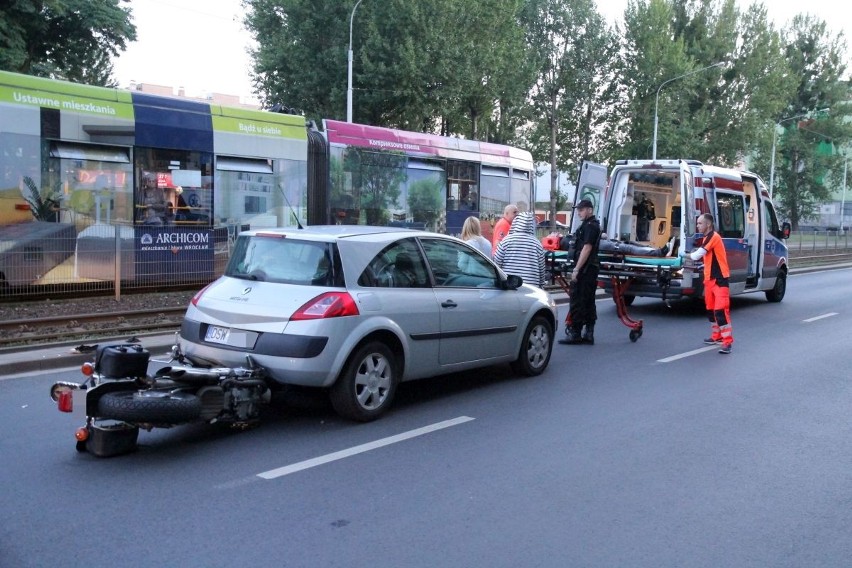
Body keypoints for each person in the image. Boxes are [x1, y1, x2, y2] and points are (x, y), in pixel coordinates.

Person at [688, 213, 733, 354]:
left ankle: (727, 342)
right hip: (709, 280)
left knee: (720, 311)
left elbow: (696, 255)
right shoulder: (707, 238)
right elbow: (707, 258)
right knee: (710, 310)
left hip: (719, 280)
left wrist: (683, 255)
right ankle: (716, 336)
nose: (697, 226)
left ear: (708, 224)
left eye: (700, 223)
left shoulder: (713, 237)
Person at [559, 199, 601, 345]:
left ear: (589, 210)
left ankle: (575, 332)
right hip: (590, 268)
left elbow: (587, 248)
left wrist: (577, 269)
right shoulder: (591, 225)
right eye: (578, 210)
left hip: (585, 268)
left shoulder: (590, 226)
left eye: (581, 210)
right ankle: (589, 332)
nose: (579, 213)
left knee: (577, 299)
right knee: (588, 300)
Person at [493, 211, 546, 288]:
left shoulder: (506, 241)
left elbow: (496, 262)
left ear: (515, 223)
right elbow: (541, 269)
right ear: (531, 225)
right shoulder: (537, 244)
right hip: (532, 288)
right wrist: (541, 287)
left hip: (510, 285)